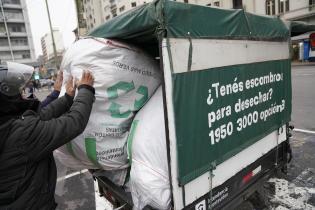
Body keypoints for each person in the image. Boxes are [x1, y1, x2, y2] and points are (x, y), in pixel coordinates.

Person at [0, 61, 95, 210]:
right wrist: (86, 90)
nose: (23, 94)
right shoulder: (22, 134)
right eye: (19, 91)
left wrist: (67, 99)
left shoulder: (7, 123)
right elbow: (73, 123)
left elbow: (41, 116)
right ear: (7, 95)